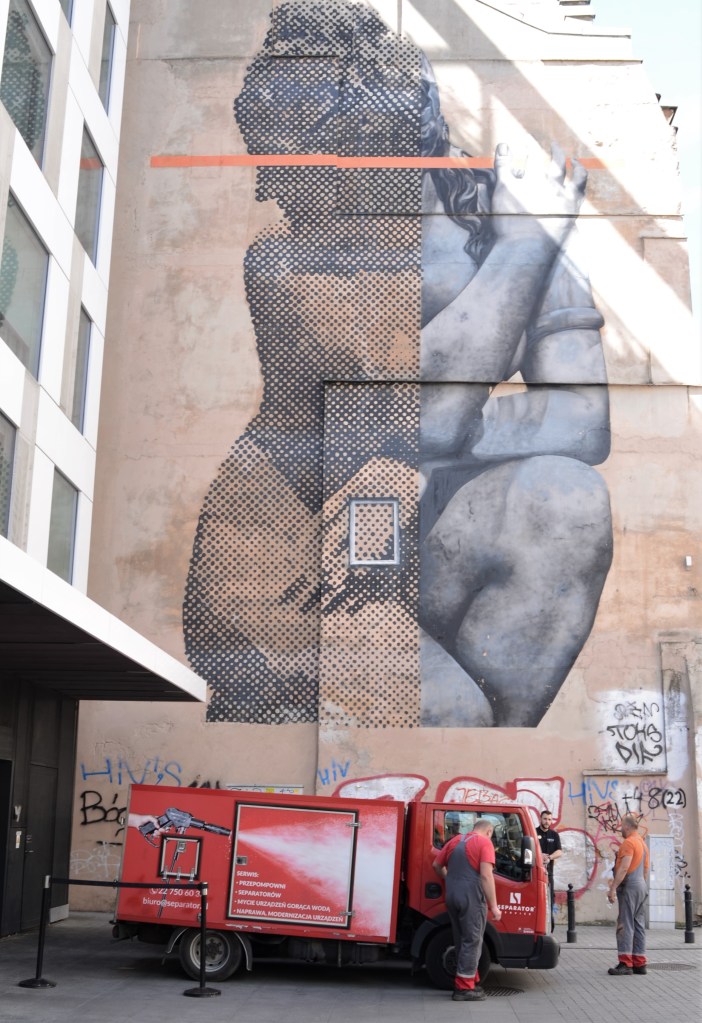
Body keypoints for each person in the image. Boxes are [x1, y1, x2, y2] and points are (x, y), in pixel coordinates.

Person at [433, 818, 502, 1001]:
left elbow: (436, 866)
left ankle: (471, 979)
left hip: (452, 896)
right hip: (471, 898)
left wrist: (449, 880)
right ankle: (463, 989)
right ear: (489, 831)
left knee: (461, 940)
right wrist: (494, 906)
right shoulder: (484, 842)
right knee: (472, 941)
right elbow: (486, 876)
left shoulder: (455, 841)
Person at [607, 814, 649, 975]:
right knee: (638, 924)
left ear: (627, 827)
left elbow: (624, 868)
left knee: (625, 924)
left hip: (629, 886)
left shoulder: (629, 843)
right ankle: (640, 963)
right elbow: (645, 869)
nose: (620, 829)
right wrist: (641, 886)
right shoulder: (643, 844)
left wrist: (613, 889)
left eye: (621, 826)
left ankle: (625, 963)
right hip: (641, 886)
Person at [536, 810, 563, 931]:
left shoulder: (554, 835)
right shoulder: (534, 832)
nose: (547, 822)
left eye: (549, 819)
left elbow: (559, 851)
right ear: (540, 819)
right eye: (545, 819)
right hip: (535, 873)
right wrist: (539, 856)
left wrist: (549, 857)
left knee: (550, 898)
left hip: (549, 873)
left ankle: (549, 926)